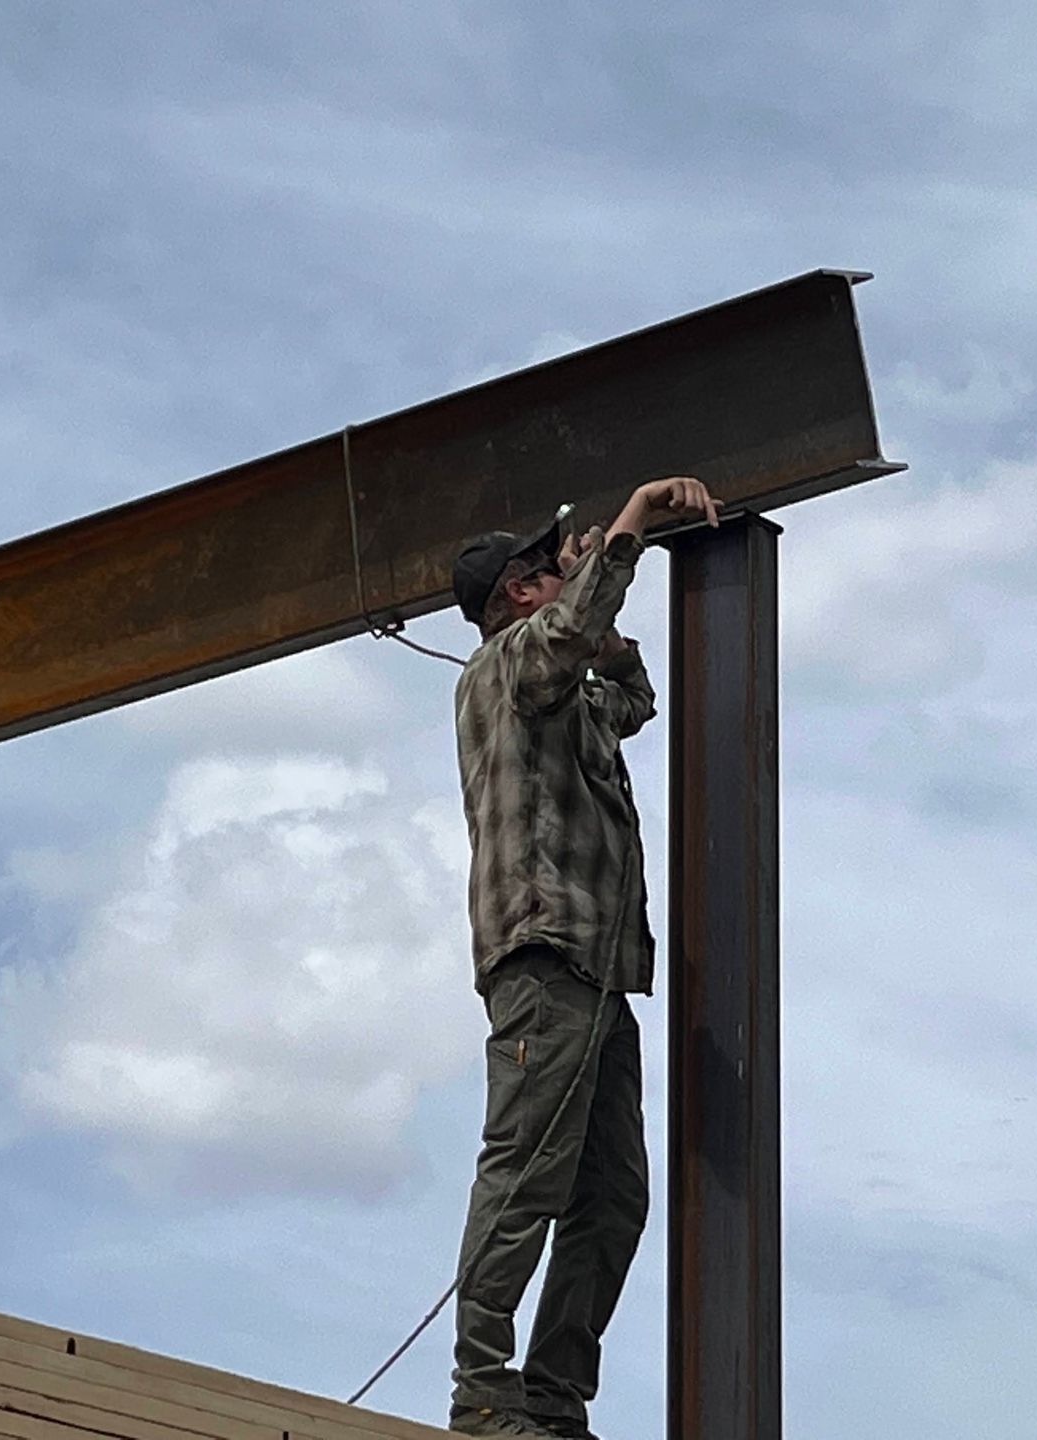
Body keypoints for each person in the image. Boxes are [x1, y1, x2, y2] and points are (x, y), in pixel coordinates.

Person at [444, 476, 722, 1439]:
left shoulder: (560, 691)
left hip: (598, 975)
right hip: (545, 956)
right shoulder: (504, 669)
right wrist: (635, 523)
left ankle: (554, 1399)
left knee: (611, 1196)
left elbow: (632, 699)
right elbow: (559, 640)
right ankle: (482, 1396)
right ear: (519, 593)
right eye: (548, 564)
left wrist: (603, 620)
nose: (568, 562)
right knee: (526, 1175)